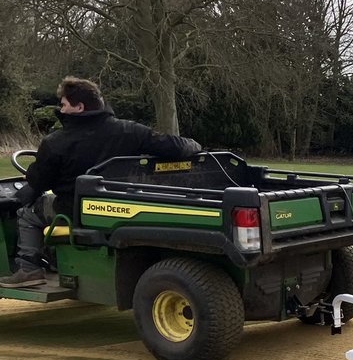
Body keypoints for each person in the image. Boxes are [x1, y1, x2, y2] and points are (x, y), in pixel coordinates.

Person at [1, 77, 202, 288]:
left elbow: (39, 181)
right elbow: (176, 146)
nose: (61, 109)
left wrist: (25, 189)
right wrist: (194, 145)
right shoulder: (129, 131)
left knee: (27, 212)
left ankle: (29, 269)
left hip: (76, 210)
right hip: (121, 207)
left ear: (79, 107)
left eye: (64, 104)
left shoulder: (56, 142)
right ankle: (53, 259)